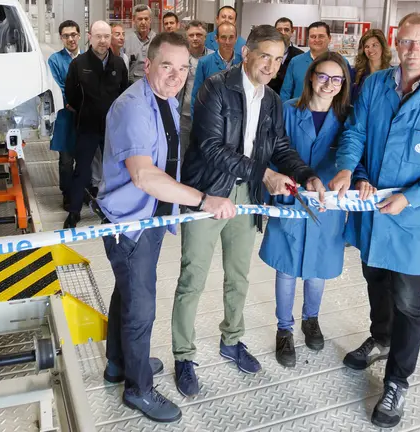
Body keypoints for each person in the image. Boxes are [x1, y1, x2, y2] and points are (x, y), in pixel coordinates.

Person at [328, 13, 420, 428]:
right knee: (374, 278)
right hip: (373, 211)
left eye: (419, 42)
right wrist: (351, 171)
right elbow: (355, 133)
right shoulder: (374, 85)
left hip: (412, 219)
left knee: (408, 300)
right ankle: (381, 337)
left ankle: (397, 381)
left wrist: (409, 197)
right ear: (396, 41)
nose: (410, 50)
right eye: (404, 42)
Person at [171, 25, 326, 397]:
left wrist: (305, 175)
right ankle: (183, 355)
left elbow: (280, 146)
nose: (271, 65)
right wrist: (265, 174)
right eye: (264, 56)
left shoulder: (272, 99)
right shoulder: (216, 88)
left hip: (247, 195)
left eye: (278, 58)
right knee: (193, 278)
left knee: (238, 276)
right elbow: (210, 147)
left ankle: (231, 339)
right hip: (209, 192)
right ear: (246, 54)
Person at [95, 31, 236, 422]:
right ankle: (138, 388)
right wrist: (204, 200)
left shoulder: (167, 101)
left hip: (152, 218)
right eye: (167, 66)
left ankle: (117, 363)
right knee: (141, 307)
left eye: (183, 68)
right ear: (148, 65)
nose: (176, 75)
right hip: (130, 222)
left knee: (128, 293)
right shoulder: (133, 107)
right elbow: (143, 175)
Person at [260, 52, 371, 368]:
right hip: (291, 201)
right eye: (323, 76)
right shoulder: (288, 110)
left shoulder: (347, 119)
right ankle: (284, 329)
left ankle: (311, 318)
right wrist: (273, 183)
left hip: (328, 206)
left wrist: (359, 180)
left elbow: (356, 159)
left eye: (337, 79)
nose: (329, 84)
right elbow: (269, 151)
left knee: (318, 268)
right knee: (287, 267)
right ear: (311, 76)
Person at [63, 21, 128, 229]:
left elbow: (123, 94)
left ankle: (111, 210)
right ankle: (74, 212)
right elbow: (71, 95)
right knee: (81, 170)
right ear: (89, 37)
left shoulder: (118, 64)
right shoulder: (79, 64)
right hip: (88, 126)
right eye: (99, 36)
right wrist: (85, 111)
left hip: (111, 128)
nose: (103, 41)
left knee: (112, 170)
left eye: (107, 36)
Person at [48, 20, 82, 211]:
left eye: (73, 34)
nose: (70, 39)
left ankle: (82, 191)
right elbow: (57, 86)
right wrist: (70, 103)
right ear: (61, 38)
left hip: (86, 116)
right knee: (66, 159)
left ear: (79, 35)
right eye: (66, 35)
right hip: (66, 116)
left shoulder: (88, 57)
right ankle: (67, 194)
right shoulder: (55, 60)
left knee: (85, 157)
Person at [280, 22, 352, 101]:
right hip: (299, 110)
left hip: (331, 111)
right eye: (313, 36)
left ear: (329, 38)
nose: (317, 40)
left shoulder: (341, 62)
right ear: (308, 39)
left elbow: (347, 92)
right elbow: (285, 92)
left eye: (321, 36)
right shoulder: (295, 62)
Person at [175, 20, 213, 159]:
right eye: (191, 35)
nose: (195, 38)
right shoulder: (179, 57)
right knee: (182, 153)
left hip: (208, 116)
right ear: (187, 37)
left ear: (205, 36)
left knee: (204, 153)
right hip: (183, 114)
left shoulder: (213, 57)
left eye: (199, 34)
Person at [190, 22, 242, 116]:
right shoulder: (205, 62)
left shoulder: (243, 62)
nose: (227, 42)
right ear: (216, 39)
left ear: (236, 39)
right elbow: (196, 96)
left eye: (231, 37)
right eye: (223, 37)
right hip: (211, 117)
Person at [352, 29, 391, 101]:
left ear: (382, 46)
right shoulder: (355, 73)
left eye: (374, 45)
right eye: (367, 46)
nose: (370, 50)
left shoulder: (392, 74)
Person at [268, 17, 304, 95]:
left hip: (290, 101)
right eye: (279, 30)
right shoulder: (266, 52)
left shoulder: (300, 55)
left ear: (292, 32)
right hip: (268, 98)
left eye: (286, 30)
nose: (283, 33)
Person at [124, 5, 157, 83]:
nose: (143, 22)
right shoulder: (126, 41)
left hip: (152, 85)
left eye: (146, 19)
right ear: (134, 20)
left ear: (150, 20)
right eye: (140, 19)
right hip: (131, 86)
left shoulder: (157, 40)